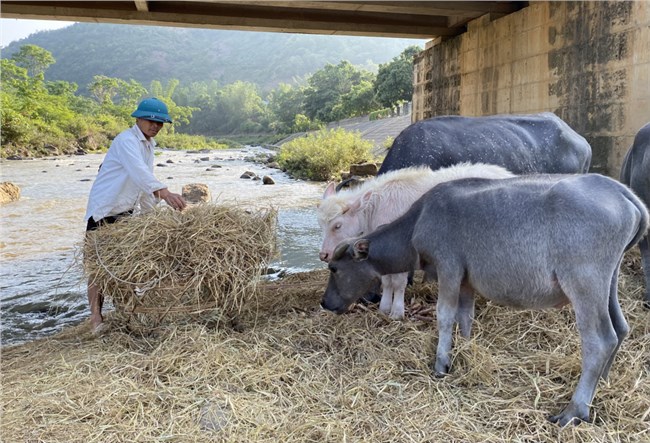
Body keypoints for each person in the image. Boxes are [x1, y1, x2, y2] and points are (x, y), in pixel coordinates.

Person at [84, 97, 187, 334]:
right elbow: (138, 172)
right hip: (104, 210)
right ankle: (96, 319)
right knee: (97, 268)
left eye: (160, 122)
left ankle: (124, 310)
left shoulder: (148, 145)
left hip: (125, 212)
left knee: (124, 265)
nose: (155, 126)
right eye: (151, 120)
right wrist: (164, 192)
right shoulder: (126, 141)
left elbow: (143, 183)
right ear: (138, 118)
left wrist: (152, 217)